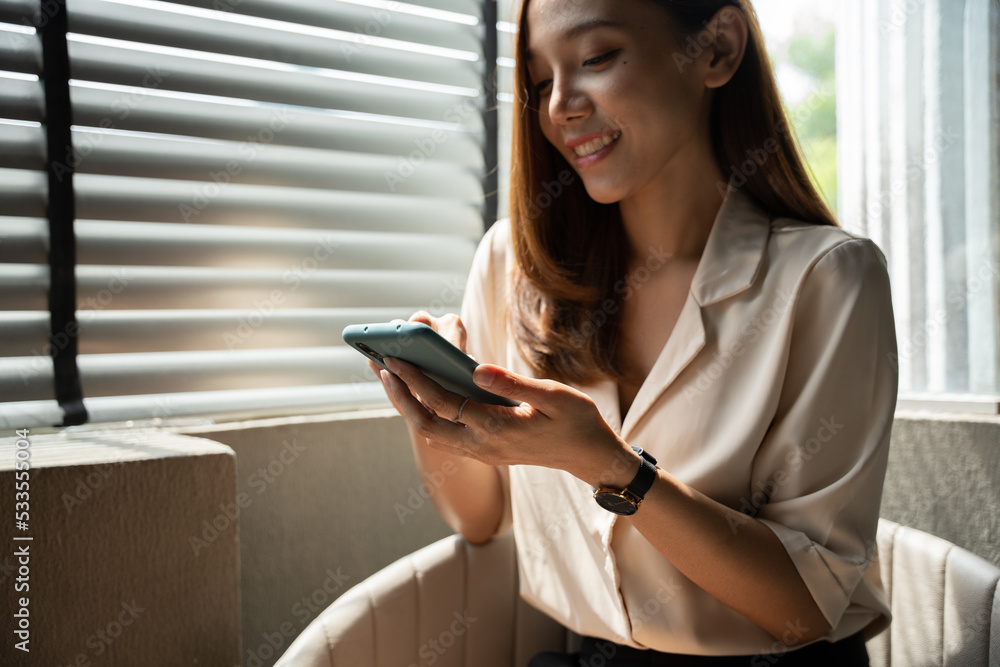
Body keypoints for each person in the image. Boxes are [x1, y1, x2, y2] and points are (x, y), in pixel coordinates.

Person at [372, 0, 897, 664]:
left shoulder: (828, 280)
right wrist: (431, 415)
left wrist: (610, 467)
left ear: (718, 50)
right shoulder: (514, 267)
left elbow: (800, 611)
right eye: (540, 81)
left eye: (595, 58)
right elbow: (480, 518)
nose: (560, 105)